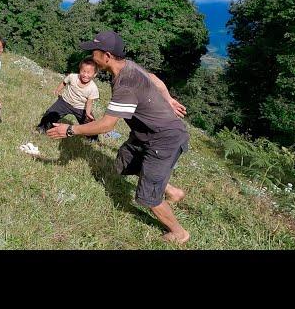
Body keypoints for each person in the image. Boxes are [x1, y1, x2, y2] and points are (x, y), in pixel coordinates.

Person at [46, 30, 191, 244]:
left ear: (106, 56)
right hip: (146, 135)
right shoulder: (127, 67)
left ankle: (179, 232)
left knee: (148, 197)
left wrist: (69, 131)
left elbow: (106, 125)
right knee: (125, 162)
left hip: (164, 139)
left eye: (94, 52)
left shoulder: (125, 84)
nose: (91, 57)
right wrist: (167, 99)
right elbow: (153, 79)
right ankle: (172, 191)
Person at [36, 57, 100, 141]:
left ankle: (93, 139)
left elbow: (89, 101)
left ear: (94, 74)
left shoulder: (93, 88)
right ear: (80, 70)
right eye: (83, 71)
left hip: (80, 107)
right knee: (50, 113)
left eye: (89, 72)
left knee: (90, 124)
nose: (85, 75)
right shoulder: (73, 77)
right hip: (65, 102)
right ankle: (42, 128)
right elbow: (64, 82)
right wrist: (58, 89)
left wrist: (88, 113)